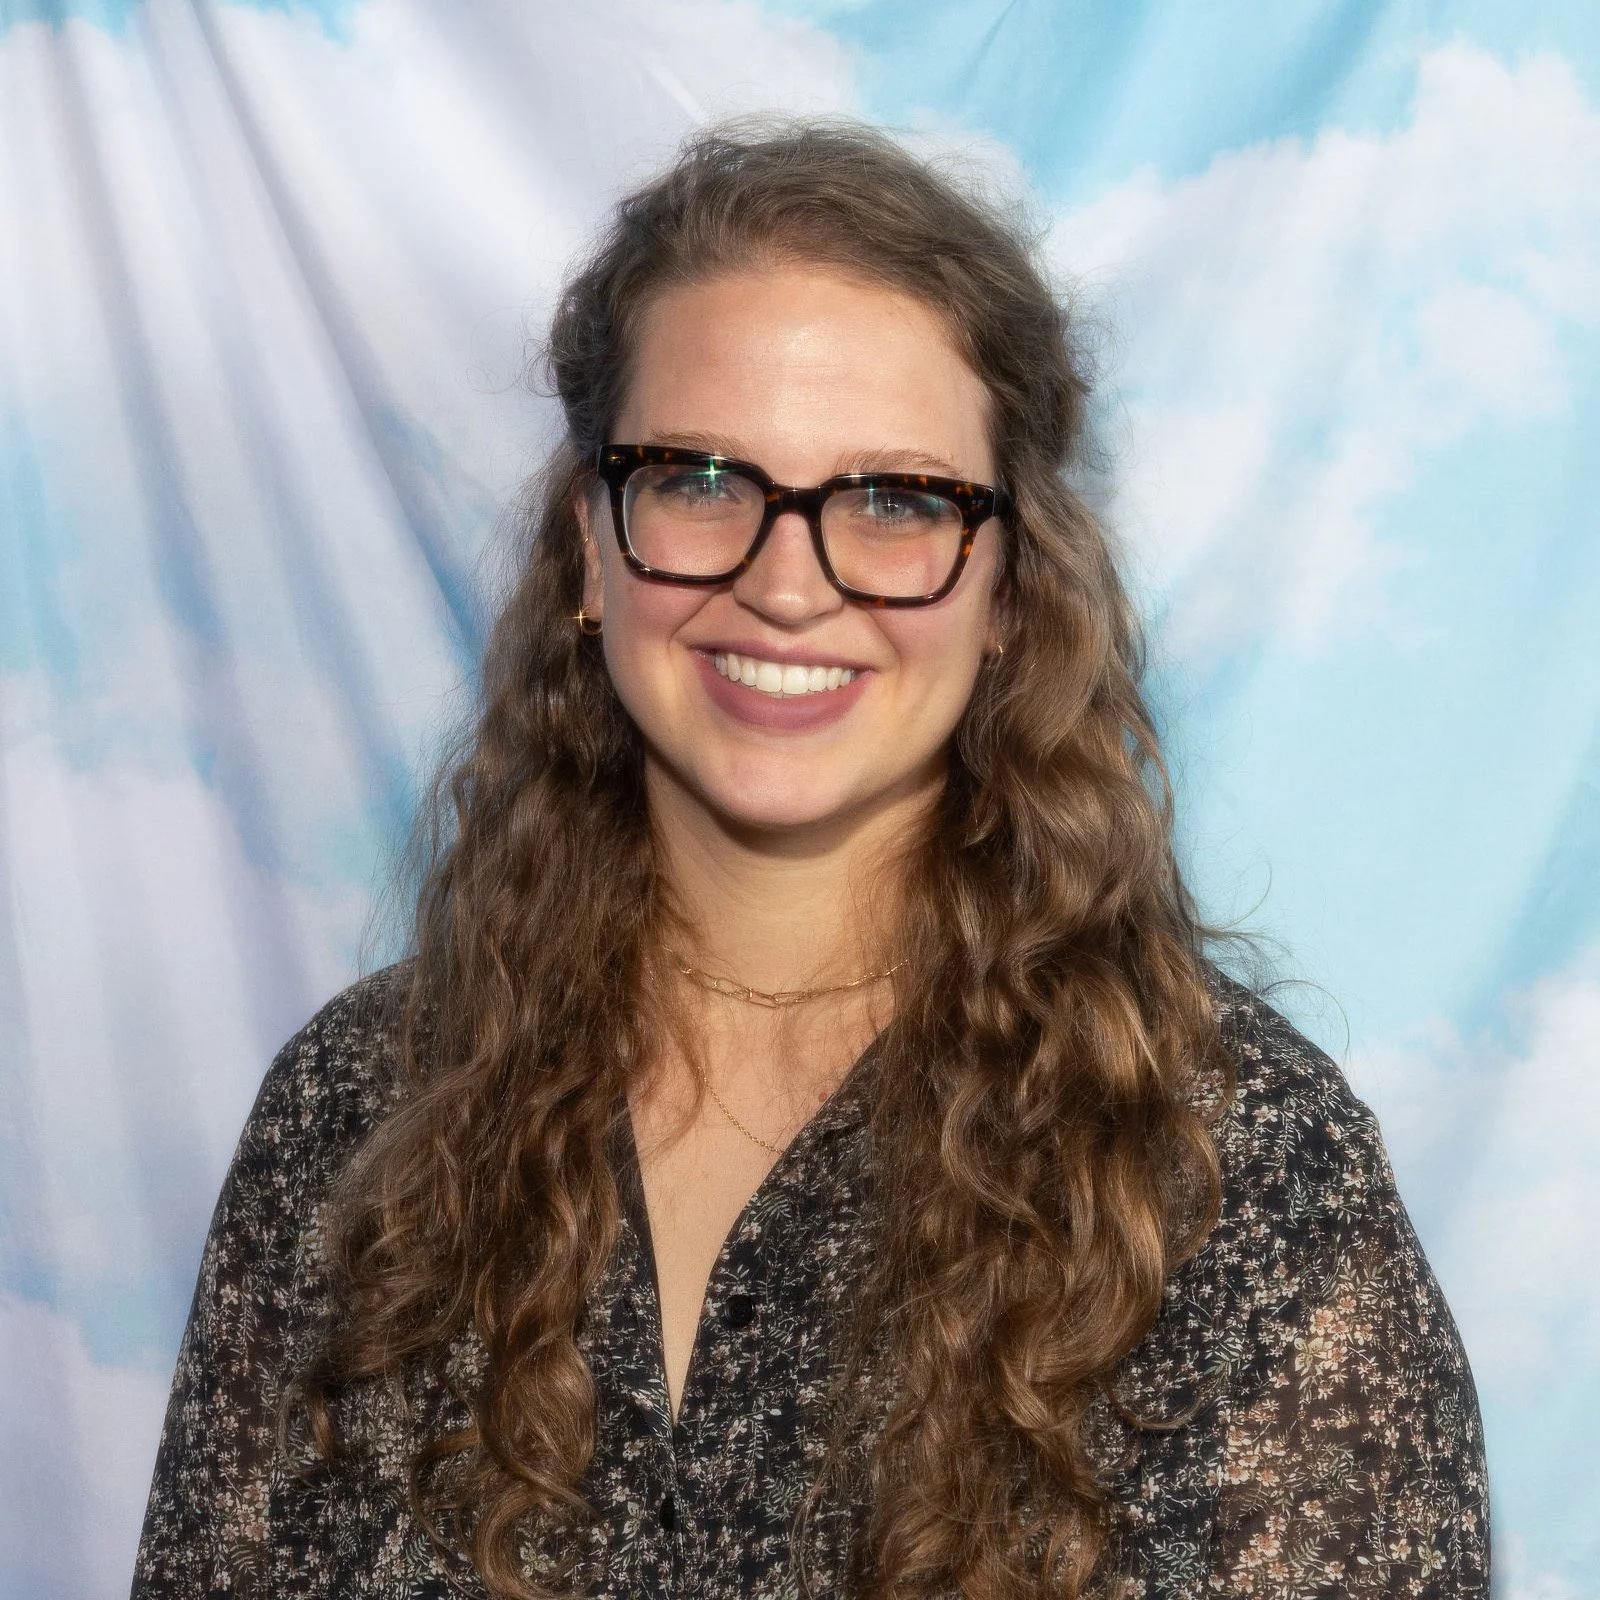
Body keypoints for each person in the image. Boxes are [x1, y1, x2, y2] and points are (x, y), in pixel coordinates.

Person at [131, 121, 1489, 1600]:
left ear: (1012, 585)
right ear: (591, 548)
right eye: (702, 479)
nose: (786, 584)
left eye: (895, 501)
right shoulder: (354, 1117)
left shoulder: (1234, 1175)